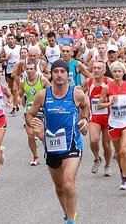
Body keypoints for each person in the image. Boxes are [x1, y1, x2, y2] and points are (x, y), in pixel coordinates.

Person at [26, 60, 89, 224]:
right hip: (52, 145)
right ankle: (67, 212)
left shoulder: (76, 94)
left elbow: (85, 106)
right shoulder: (43, 95)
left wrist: (84, 120)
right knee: (60, 186)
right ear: (51, 74)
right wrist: (33, 124)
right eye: (56, 72)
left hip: (72, 145)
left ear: (67, 74)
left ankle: (70, 221)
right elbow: (30, 114)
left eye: (63, 71)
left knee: (68, 184)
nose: (59, 74)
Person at [97, 61, 126, 190]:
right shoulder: (107, 87)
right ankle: (122, 172)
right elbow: (99, 105)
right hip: (114, 123)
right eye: (115, 71)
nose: (117, 73)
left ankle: (124, 179)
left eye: (119, 71)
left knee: (123, 150)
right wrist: (110, 103)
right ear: (112, 72)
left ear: (123, 73)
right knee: (119, 153)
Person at [81, 60, 113, 176]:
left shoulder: (109, 82)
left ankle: (108, 165)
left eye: (99, 68)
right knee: (94, 140)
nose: (96, 70)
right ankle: (97, 158)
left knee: (106, 145)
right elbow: (80, 95)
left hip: (108, 117)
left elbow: (117, 94)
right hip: (94, 117)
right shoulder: (89, 82)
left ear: (104, 71)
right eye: (94, 68)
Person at [18, 62, 50, 166]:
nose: (29, 71)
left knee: (41, 136)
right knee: (30, 135)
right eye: (27, 69)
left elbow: (52, 91)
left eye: (31, 69)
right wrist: (19, 100)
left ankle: (49, 151)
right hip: (29, 112)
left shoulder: (42, 80)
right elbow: (20, 94)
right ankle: (35, 157)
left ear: (36, 70)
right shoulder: (23, 82)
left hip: (41, 112)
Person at [0, 34, 21, 115]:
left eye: (12, 39)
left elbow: (23, 56)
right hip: (9, 71)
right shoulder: (4, 49)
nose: (10, 40)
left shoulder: (18, 47)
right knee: (12, 88)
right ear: (7, 40)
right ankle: (16, 101)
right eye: (9, 39)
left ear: (14, 40)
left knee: (15, 89)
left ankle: (15, 106)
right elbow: (1, 59)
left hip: (17, 71)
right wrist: (7, 58)